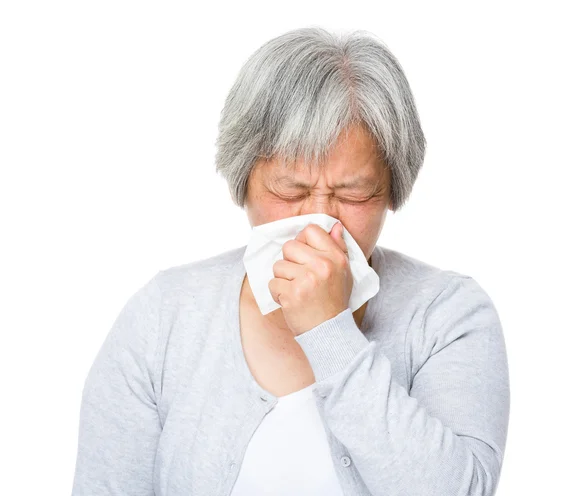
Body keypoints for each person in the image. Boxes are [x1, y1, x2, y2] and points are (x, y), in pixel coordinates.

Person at [71, 26, 510, 496]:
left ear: (391, 192)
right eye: (290, 190)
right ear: (243, 182)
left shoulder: (448, 315)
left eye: (353, 193)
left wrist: (330, 333)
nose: (315, 224)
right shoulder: (163, 317)